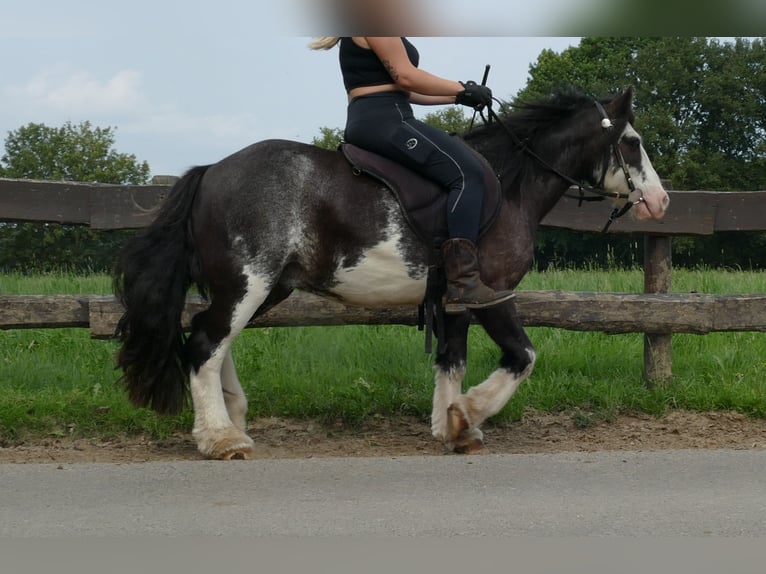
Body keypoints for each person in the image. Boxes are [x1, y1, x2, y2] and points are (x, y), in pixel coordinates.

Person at [310, 36, 513, 313]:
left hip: (382, 114)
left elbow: (406, 90)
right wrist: (462, 87)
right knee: (468, 175)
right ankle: (463, 282)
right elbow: (407, 77)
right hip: (386, 119)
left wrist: (459, 96)